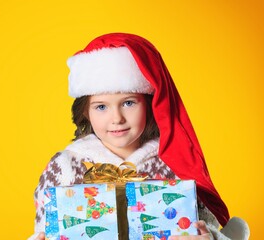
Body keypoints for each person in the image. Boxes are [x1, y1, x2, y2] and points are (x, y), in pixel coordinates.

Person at [28, 33, 250, 240]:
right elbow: (44, 230)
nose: (116, 118)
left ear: (150, 104)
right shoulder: (65, 166)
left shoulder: (174, 162)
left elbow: (205, 226)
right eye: (101, 107)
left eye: (128, 103)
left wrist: (208, 236)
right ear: (85, 111)